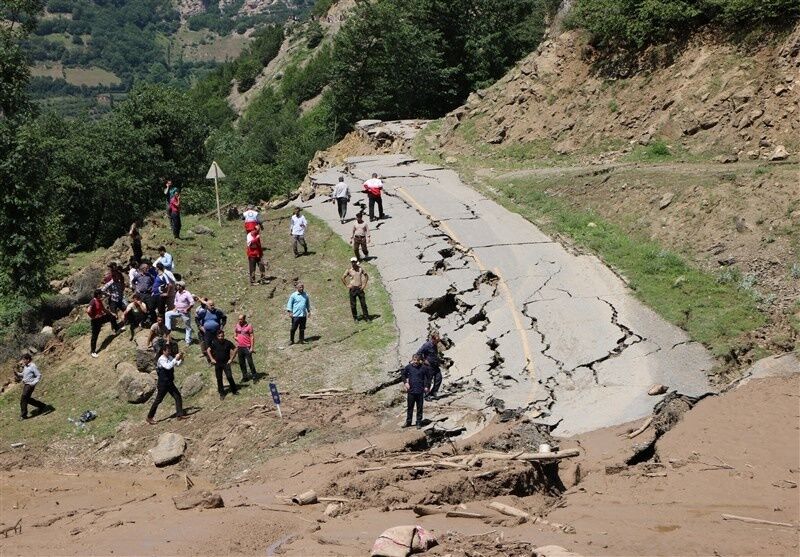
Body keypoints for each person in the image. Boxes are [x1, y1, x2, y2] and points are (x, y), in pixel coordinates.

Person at [146, 344, 187, 425]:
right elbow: (168, 366)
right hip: (163, 384)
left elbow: (177, 364)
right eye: (168, 351)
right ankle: (149, 417)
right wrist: (175, 358)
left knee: (177, 396)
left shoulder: (169, 357)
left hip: (169, 382)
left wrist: (181, 358)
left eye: (170, 351)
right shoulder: (161, 359)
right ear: (163, 351)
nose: (169, 352)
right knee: (158, 400)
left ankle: (179, 415)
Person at [16, 354, 53, 420]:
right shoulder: (26, 366)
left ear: (28, 359)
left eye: (24, 359)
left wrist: (33, 383)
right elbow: (23, 374)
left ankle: (23, 415)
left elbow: (38, 375)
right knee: (27, 399)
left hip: (29, 385)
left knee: (23, 398)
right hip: (26, 385)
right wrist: (17, 374)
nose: (23, 361)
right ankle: (41, 405)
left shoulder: (33, 366)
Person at [87, 289, 123, 357]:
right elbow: (88, 311)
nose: (102, 295)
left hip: (101, 318)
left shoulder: (99, 301)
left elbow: (104, 310)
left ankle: (116, 329)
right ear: (98, 295)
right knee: (95, 336)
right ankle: (93, 351)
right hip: (96, 321)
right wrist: (93, 317)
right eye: (101, 294)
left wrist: (112, 313)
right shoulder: (93, 301)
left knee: (112, 317)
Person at [401, 354, 431, 428]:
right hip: (411, 391)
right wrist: (405, 383)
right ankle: (408, 422)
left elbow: (428, 377)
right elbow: (403, 375)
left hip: (420, 391)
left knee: (419, 408)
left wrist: (427, 386)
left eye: (417, 360)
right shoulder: (408, 367)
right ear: (412, 360)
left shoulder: (423, 367)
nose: (416, 362)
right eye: (414, 360)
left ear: (420, 360)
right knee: (410, 407)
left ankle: (418, 422)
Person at [207, 330, 239, 399]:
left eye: (222, 336)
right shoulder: (214, 343)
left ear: (224, 336)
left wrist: (231, 359)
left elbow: (236, 349)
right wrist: (212, 359)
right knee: (219, 378)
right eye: (219, 336)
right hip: (217, 364)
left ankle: (234, 390)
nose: (221, 337)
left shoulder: (227, 342)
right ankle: (222, 393)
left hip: (226, 363)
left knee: (229, 376)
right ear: (217, 336)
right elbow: (208, 350)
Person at [416, 331, 442, 401]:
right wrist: (424, 360)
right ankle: (426, 395)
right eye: (436, 340)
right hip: (428, 366)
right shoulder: (427, 345)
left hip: (435, 365)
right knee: (428, 381)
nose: (438, 342)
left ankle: (434, 392)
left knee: (439, 378)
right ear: (433, 339)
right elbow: (418, 353)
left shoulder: (435, 344)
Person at [342, 257, 369, 321]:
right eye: (352, 262)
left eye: (354, 262)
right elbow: (343, 277)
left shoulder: (360, 269)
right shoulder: (349, 270)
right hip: (353, 289)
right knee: (353, 305)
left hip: (360, 288)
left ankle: (366, 317)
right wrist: (347, 285)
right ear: (351, 262)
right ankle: (355, 318)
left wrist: (364, 285)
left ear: (356, 262)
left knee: (363, 304)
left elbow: (366, 276)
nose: (353, 263)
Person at [234, 314, 258, 382]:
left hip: (247, 346)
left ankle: (254, 376)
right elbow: (235, 333)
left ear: (244, 319)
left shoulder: (249, 326)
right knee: (241, 363)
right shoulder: (237, 325)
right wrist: (236, 338)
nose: (239, 320)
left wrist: (252, 348)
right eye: (239, 319)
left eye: (241, 319)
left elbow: (252, 337)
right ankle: (245, 377)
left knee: (250, 362)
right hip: (240, 347)